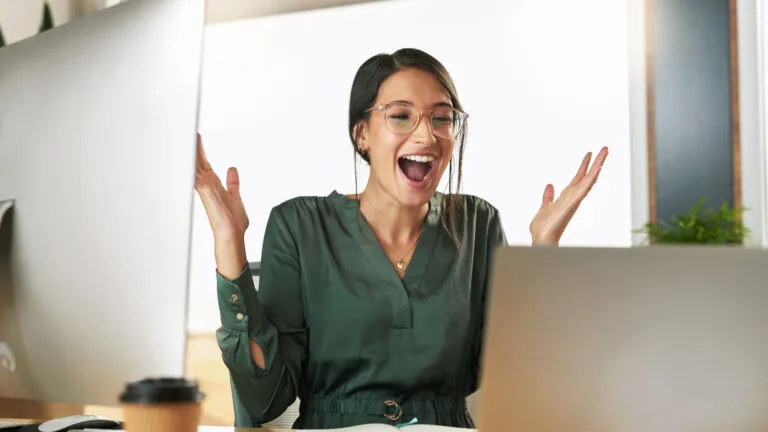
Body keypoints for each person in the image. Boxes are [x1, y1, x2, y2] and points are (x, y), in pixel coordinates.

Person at [194, 48, 608, 429]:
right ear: (362, 134)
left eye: (441, 118)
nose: (427, 136)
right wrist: (229, 241)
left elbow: (516, 386)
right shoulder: (299, 225)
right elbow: (266, 399)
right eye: (400, 115)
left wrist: (543, 254)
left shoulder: (478, 223)